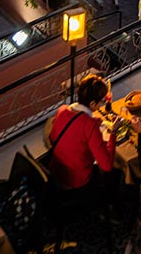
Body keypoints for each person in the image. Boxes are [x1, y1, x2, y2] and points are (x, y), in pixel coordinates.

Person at [47, 74, 121, 202]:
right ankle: (109, 207)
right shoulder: (89, 126)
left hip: (56, 172)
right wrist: (113, 132)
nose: (103, 103)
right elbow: (107, 165)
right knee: (114, 173)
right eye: (102, 101)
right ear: (92, 103)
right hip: (77, 182)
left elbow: (53, 137)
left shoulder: (62, 110)